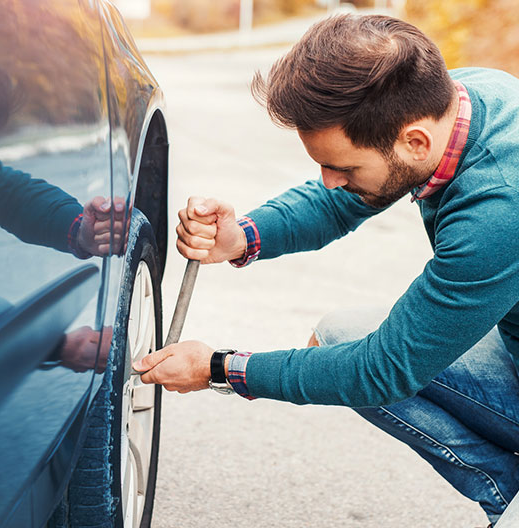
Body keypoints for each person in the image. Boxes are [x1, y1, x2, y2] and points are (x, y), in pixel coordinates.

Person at [133, 14, 519, 526]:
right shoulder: (463, 99)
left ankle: (507, 498)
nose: (330, 181)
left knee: (370, 366)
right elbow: (339, 202)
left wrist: (219, 367)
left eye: (344, 167)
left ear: (415, 144)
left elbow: (383, 371)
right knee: (338, 337)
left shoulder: (499, 208)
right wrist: (241, 237)